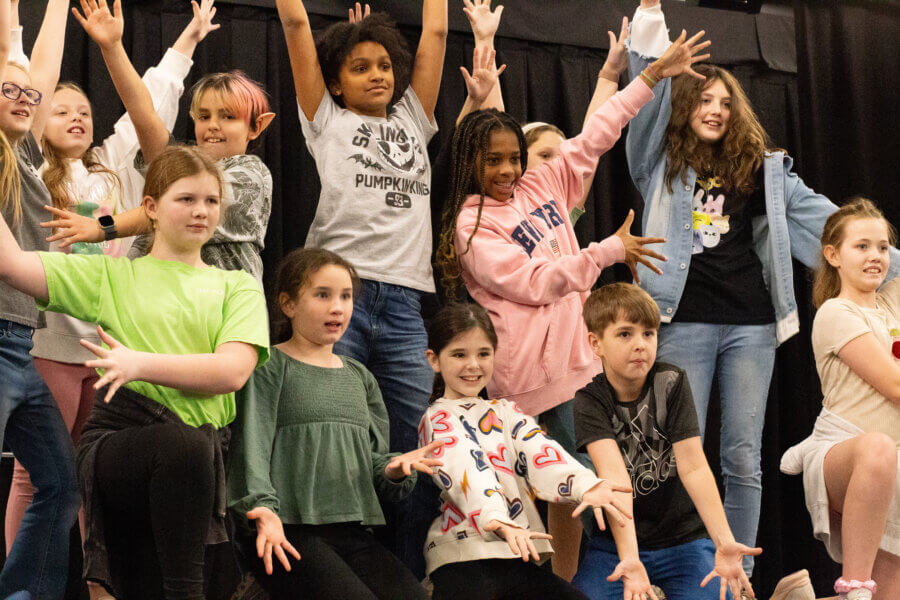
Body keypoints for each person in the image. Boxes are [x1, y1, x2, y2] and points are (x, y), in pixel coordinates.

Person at [624, 0, 900, 576]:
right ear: (686, 104)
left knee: (742, 457)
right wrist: (649, 19)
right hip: (682, 319)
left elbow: (834, 228)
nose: (716, 110)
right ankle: (685, 565)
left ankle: (740, 578)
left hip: (750, 323)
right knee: (680, 451)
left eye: (726, 102)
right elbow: (641, 103)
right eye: (704, 99)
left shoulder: (765, 168)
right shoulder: (661, 161)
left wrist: (886, 258)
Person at [0, 144, 269, 597]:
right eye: (186, 199)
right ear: (151, 208)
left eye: (211, 201)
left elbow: (232, 372)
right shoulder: (112, 276)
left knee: (187, 454)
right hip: (120, 447)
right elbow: (11, 265)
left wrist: (139, 364)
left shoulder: (236, 285)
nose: (201, 211)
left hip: (201, 460)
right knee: (181, 443)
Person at [4, 1, 218, 571]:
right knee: (33, 473)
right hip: (49, 345)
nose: (75, 117)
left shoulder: (111, 169)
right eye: (61, 111)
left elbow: (151, 101)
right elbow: (27, 80)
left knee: (81, 471)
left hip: (105, 350)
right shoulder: (26, 164)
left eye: (83, 111)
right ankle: (29, 569)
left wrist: (187, 42)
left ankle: (81, 572)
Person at [276, 0, 447, 575]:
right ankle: (333, 574)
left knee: (412, 455)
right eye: (359, 67)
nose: (377, 74)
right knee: (336, 447)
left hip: (402, 307)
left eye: (384, 65)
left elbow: (437, 32)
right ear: (335, 84)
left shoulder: (412, 120)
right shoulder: (327, 119)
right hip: (335, 300)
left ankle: (402, 577)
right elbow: (298, 26)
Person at [227, 247, 445, 599]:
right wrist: (264, 512)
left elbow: (374, 465)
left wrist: (394, 468)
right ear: (288, 304)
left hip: (351, 533)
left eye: (345, 296)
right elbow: (250, 450)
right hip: (285, 532)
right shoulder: (269, 368)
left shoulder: (360, 377)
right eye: (322, 295)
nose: (338, 307)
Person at [42, 0, 275, 285]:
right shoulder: (182, 163)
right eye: (203, 116)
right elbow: (143, 117)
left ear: (257, 125)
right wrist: (112, 48)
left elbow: (173, 210)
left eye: (228, 116)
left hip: (221, 320)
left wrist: (101, 227)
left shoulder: (251, 175)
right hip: (162, 317)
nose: (213, 125)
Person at [420, 302, 634, 600]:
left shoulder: (505, 411)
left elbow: (541, 451)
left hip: (513, 555)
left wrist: (584, 484)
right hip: (462, 557)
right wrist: (496, 517)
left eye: (483, 354)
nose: (473, 365)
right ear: (434, 360)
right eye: (459, 354)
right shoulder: (437, 418)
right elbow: (464, 468)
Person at [571, 282, 762, 600]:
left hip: (683, 540)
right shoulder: (589, 400)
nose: (640, 345)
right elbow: (617, 481)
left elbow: (694, 467)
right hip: (617, 545)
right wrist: (630, 560)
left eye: (649, 333)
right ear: (596, 343)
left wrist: (724, 540)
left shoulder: (671, 382)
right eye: (625, 334)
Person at [0, 0, 82, 596]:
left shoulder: (24, 151)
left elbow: (41, 72)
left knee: (59, 480)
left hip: (18, 344)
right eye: (10, 90)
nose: (27, 99)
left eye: (32, 97)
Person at [780, 198, 900, 600]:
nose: (875, 257)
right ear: (832, 255)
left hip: (892, 471)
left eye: (883, 247)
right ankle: (854, 585)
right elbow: (896, 387)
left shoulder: (892, 303)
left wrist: (876, 242)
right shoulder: (836, 312)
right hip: (847, 455)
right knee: (878, 448)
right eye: (861, 246)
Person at [522, 16, 629, 227]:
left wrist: (611, 73)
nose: (555, 163)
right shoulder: (499, 209)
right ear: (518, 159)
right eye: (544, 155)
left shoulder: (565, 206)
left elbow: (592, 136)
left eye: (562, 157)